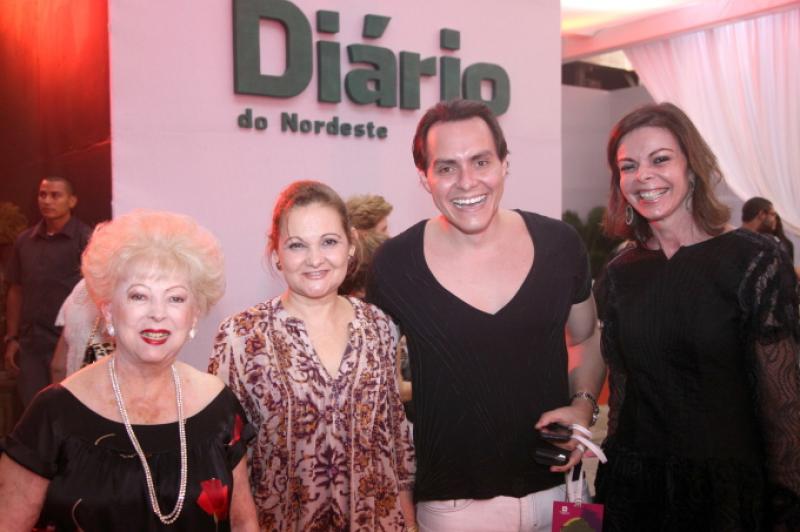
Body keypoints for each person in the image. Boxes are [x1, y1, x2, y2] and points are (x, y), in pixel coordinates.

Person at [366, 99, 605, 532]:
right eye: (447, 167)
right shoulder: (395, 265)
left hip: (561, 493)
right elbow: (372, 387)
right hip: (454, 511)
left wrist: (583, 406)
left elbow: (586, 337)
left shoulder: (560, 245)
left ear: (504, 163)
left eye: (481, 161)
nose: (467, 181)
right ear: (424, 177)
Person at [594, 102, 800, 530]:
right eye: (628, 166)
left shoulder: (754, 261)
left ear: (692, 168)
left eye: (660, 159)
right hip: (638, 489)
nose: (643, 175)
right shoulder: (619, 273)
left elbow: (784, 407)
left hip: (727, 492)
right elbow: (624, 393)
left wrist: (787, 506)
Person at [0, 210, 258, 531]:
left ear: (193, 315)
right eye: (139, 296)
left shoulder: (219, 406)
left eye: (176, 298)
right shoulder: (54, 412)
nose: (158, 313)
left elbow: (243, 522)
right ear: (109, 310)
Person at [209, 181, 416, 531]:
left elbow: (396, 441)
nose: (315, 259)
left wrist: (409, 523)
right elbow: (224, 455)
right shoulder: (241, 336)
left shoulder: (379, 326)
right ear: (276, 252)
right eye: (297, 245)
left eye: (329, 242)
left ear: (351, 245)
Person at [3, 176, 91, 406]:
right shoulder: (25, 241)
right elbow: (16, 290)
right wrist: (12, 337)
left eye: (55, 195)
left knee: (69, 408)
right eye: (43, 195)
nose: (47, 201)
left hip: (69, 340)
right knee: (34, 408)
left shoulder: (86, 239)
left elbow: (96, 290)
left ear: (72, 201)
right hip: (31, 343)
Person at [49, 279, 114, 383]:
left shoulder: (81, 289)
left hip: (74, 388)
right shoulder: (131, 290)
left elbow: (58, 367)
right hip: (116, 388)